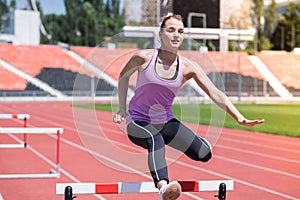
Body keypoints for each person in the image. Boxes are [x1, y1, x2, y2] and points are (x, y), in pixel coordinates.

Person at [113, 13, 264, 200]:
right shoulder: (143, 58)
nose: (176, 35)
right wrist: (121, 108)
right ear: (160, 35)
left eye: (180, 31)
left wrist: (238, 117)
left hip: (166, 121)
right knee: (155, 139)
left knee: (204, 154)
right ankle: (163, 188)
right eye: (171, 30)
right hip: (138, 120)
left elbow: (215, 92)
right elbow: (123, 76)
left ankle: (200, 143)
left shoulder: (187, 67)